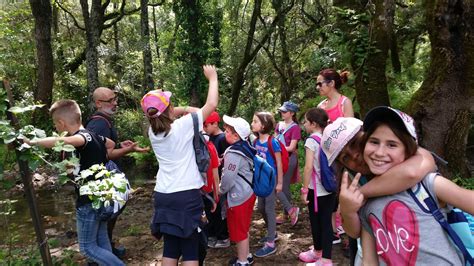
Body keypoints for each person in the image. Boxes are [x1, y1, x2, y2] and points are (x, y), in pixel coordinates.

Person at [355, 106, 473, 264]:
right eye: (374, 142)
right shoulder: (366, 202)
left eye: (392, 145)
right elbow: (369, 261)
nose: (380, 152)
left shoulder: (427, 184)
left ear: (408, 151)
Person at [320, 116, 436, 265]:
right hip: (377, 250)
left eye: (356, 143)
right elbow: (354, 232)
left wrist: (362, 194)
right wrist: (348, 211)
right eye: (345, 158)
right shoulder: (350, 178)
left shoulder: (400, 153)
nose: (354, 155)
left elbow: (414, 171)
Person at [26, 100, 125, 265]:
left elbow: (61, 142)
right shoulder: (94, 136)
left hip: (88, 202)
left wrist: (32, 142)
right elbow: (111, 144)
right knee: (101, 240)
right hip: (101, 196)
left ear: (61, 123)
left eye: (55, 124)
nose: (56, 128)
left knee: (87, 248)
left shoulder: (82, 137)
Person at [143, 65, 218, 266]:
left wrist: (177, 109)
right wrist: (212, 77)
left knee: (171, 246)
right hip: (185, 196)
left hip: (163, 196)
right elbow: (211, 104)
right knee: (190, 248)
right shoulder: (183, 126)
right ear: (169, 109)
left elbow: (160, 115)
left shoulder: (153, 133)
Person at [86, 86, 149, 257]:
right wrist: (129, 150)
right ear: (98, 103)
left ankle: (106, 250)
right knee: (107, 217)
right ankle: (103, 254)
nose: (115, 103)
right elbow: (102, 154)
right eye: (111, 100)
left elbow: (102, 147)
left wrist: (121, 145)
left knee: (108, 217)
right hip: (102, 180)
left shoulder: (103, 121)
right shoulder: (99, 124)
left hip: (103, 178)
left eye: (115, 99)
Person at [298, 108, 335, 265]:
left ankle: (324, 259)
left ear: (313, 124)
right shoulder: (329, 138)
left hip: (316, 189)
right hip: (330, 187)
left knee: (317, 222)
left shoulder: (311, 140)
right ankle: (320, 252)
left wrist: (304, 190)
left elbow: (308, 168)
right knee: (327, 222)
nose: (304, 124)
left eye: (306, 121)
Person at [219, 115, 256, 266]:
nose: (224, 132)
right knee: (244, 227)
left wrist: (220, 191)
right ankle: (246, 255)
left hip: (238, 196)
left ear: (236, 136)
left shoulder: (234, 153)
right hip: (249, 192)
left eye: (227, 130)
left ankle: (242, 262)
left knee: (239, 230)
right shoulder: (246, 147)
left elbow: (228, 179)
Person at [251, 111, 284, 258]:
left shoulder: (273, 142)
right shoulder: (255, 142)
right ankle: (273, 232)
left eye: (255, 121)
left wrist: (280, 183)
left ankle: (270, 243)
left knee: (269, 209)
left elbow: (279, 163)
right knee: (261, 207)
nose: (252, 124)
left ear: (263, 126)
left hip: (271, 180)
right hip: (260, 181)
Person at [202, 111, 230, 248]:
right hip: (208, 181)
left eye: (206, 125)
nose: (204, 128)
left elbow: (229, 157)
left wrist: (219, 160)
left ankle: (223, 237)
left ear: (215, 123)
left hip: (219, 180)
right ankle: (212, 234)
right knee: (210, 209)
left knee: (220, 210)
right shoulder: (207, 139)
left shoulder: (224, 138)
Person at [275, 101, 301, 226]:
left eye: (284, 112)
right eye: (281, 111)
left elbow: (292, 147)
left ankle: (289, 212)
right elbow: (275, 139)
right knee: (283, 186)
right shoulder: (279, 125)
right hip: (279, 158)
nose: (282, 113)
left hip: (289, 158)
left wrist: (277, 149)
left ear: (292, 113)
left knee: (282, 185)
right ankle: (288, 213)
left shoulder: (295, 127)